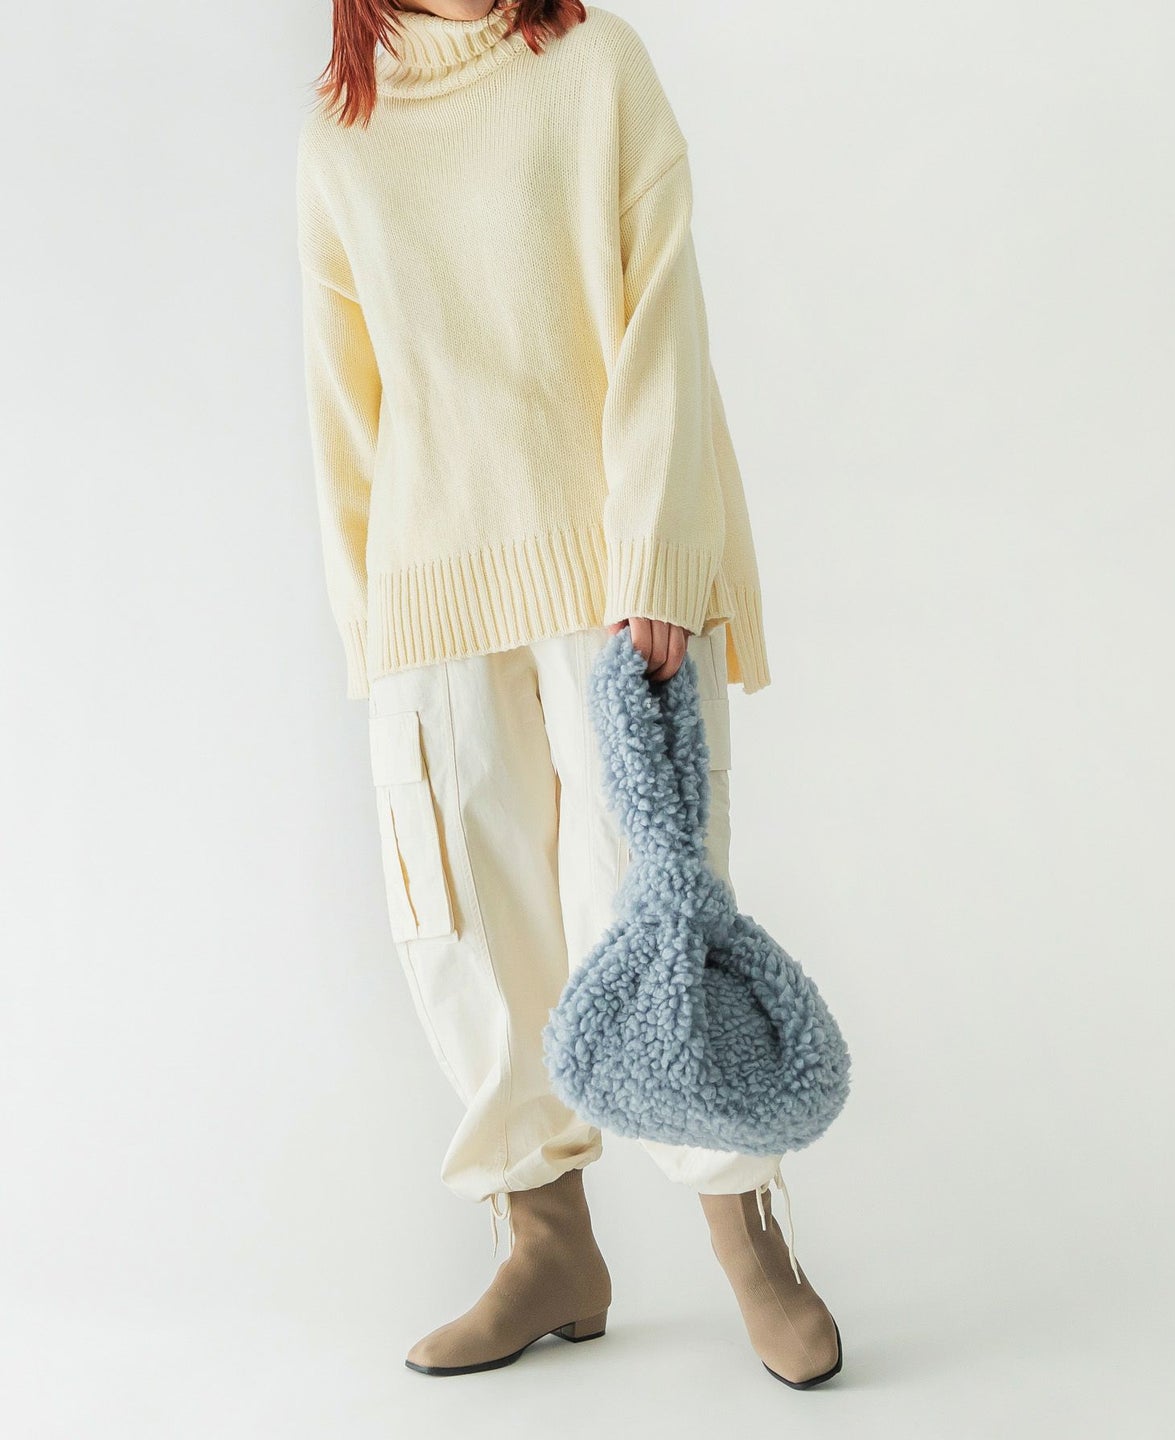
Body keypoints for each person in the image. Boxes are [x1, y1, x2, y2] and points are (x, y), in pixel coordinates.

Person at [296, 0, 840, 1388]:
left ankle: (745, 1235)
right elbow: (342, 398)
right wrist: (373, 625)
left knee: (647, 902)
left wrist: (659, 552)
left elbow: (666, 321)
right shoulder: (343, 130)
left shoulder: (592, 68)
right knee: (466, 926)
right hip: (433, 592)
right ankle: (546, 1245)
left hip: (610, 576)